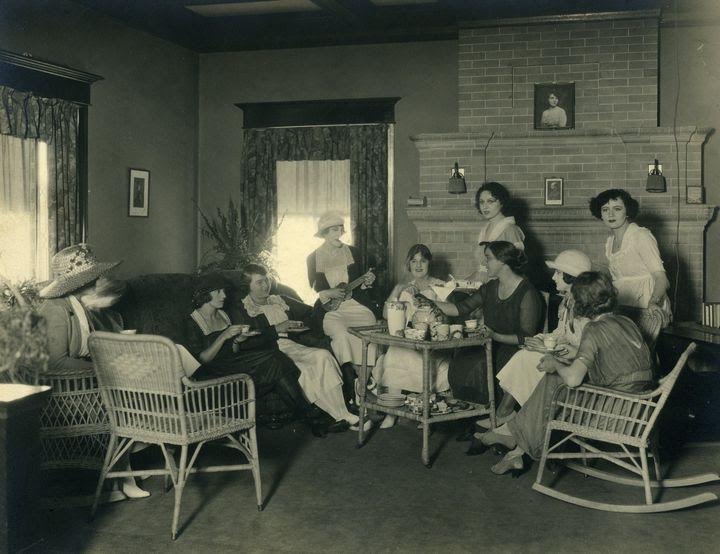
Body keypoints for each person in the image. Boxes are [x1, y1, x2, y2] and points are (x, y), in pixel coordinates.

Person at [476, 272, 654, 476]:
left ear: (582, 303)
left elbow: (573, 378)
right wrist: (574, 355)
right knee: (557, 375)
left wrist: (555, 363)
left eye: (574, 298)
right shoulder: (625, 322)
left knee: (555, 378)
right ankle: (516, 447)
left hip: (615, 413)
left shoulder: (594, 329)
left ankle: (513, 436)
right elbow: (613, 360)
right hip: (639, 406)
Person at [39, 243, 149, 499]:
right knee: (118, 398)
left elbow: (91, 343)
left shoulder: (80, 305)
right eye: (91, 276)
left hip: (83, 380)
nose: (98, 279)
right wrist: (103, 368)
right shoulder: (55, 310)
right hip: (62, 389)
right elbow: (55, 362)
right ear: (76, 282)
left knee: (141, 383)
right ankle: (121, 478)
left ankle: (121, 473)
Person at [183, 273, 328, 437]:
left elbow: (234, 349)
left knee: (274, 357)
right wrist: (223, 336)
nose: (223, 295)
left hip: (231, 362)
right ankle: (311, 416)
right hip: (212, 370)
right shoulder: (193, 321)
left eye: (224, 291)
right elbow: (200, 360)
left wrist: (238, 339)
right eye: (218, 292)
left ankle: (309, 416)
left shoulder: (223, 315)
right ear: (205, 293)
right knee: (274, 362)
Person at [237, 264, 369, 432]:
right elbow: (247, 341)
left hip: (292, 346)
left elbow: (311, 314)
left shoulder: (280, 300)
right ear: (247, 286)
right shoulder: (243, 308)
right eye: (259, 283)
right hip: (269, 353)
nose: (265, 286)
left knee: (323, 355)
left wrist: (324, 297)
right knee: (304, 369)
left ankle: (342, 413)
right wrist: (277, 328)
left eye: (267, 280)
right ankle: (341, 416)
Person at [429, 242, 544, 428]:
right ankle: (470, 418)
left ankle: (493, 419)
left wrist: (495, 336)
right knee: (462, 361)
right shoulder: (490, 287)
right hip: (490, 343)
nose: (485, 263)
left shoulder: (527, 292)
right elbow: (460, 308)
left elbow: (526, 336)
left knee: (478, 366)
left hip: (513, 350)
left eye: (489, 258)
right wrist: (429, 302)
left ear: (503, 262)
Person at [482, 250, 592, 429]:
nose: (554, 278)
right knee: (524, 354)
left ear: (572, 277)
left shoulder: (586, 307)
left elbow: (583, 347)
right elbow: (560, 332)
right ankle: (509, 415)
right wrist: (539, 339)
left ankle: (510, 417)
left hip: (576, 363)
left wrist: (547, 348)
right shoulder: (567, 302)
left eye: (558, 273)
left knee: (529, 360)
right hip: (562, 355)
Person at [372, 244, 450, 429]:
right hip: (408, 339)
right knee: (394, 352)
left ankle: (426, 414)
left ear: (429, 263)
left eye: (423, 260)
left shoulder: (440, 285)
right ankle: (392, 412)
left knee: (420, 359)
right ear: (409, 264)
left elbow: (446, 316)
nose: (418, 265)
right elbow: (385, 313)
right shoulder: (406, 288)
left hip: (431, 340)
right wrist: (397, 290)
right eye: (413, 261)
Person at [306, 211, 378, 388]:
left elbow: (361, 282)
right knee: (341, 334)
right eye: (333, 230)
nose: (339, 234)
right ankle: (364, 383)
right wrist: (329, 293)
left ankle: (360, 386)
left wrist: (368, 282)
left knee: (369, 333)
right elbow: (316, 289)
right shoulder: (313, 258)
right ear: (324, 233)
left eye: (340, 229)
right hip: (332, 309)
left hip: (358, 305)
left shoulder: (353, 252)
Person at [589, 188, 671, 323]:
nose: (611, 214)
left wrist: (653, 302)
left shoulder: (641, 236)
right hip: (624, 305)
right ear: (600, 214)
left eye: (617, 209)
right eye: (605, 210)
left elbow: (662, 278)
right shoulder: (610, 243)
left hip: (647, 305)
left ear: (627, 211)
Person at [466, 182, 525, 285]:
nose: (485, 206)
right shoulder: (484, 230)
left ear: (502, 202)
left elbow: (517, 268)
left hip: (502, 287)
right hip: (484, 284)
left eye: (490, 201)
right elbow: (482, 270)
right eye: (481, 202)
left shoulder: (511, 229)